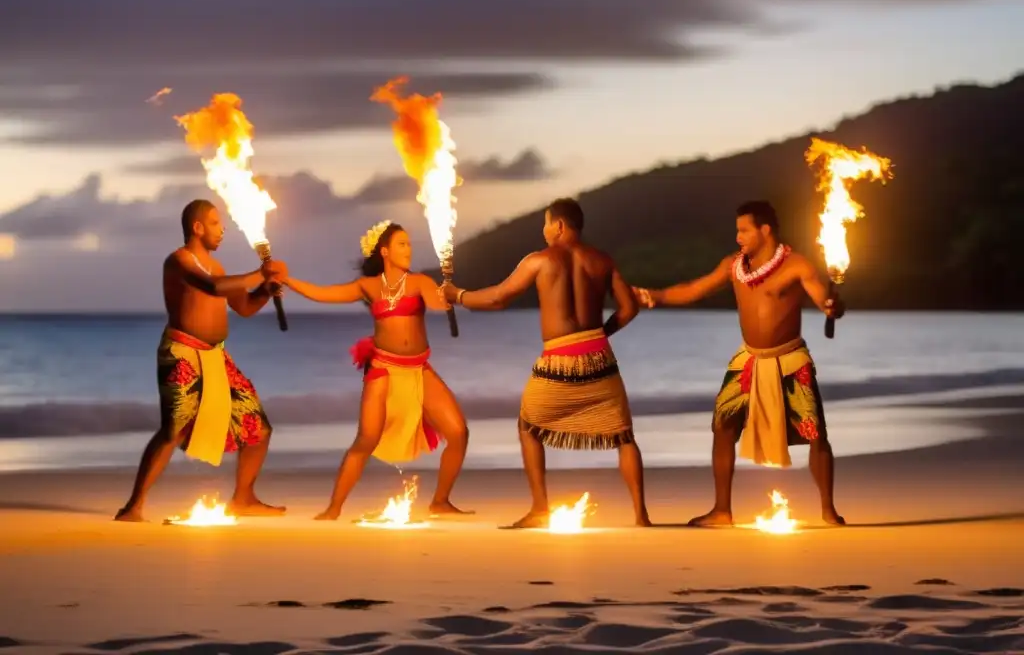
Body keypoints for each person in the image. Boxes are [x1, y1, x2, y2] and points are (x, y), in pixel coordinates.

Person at [442, 197, 652, 529]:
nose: (543, 229)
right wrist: (600, 334)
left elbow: (498, 298)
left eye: (545, 223)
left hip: (559, 362)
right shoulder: (602, 261)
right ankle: (641, 515)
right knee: (624, 436)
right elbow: (629, 309)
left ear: (559, 225)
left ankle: (541, 508)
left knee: (528, 426)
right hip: (600, 357)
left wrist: (459, 296)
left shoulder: (539, 261)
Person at [634, 200, 846, 527]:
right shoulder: (734, 266)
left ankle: (828, 511)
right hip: (748, 360)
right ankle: (722, 511)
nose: (738, 237)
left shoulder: (797, 265)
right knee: (722, 427)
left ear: (765, 230)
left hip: (790, 360)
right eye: (737, 230)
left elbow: (821, 297)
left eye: (744, 230)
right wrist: (655, 296)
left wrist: (832, 307)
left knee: (815, 433)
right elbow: (694, 288)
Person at [281, 220, 472, 520]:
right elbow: (322, 294)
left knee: (458, 431)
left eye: (409, 244)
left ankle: (441, 501)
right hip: (383, 368)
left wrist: (447, 293)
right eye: (401, 244)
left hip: (418, 368)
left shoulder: (419, 281)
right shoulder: (368, 287)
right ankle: (333, 508)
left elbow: (437, 306)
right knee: (366, 440)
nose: (408, 249)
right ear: (384, 251)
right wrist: (288, 282)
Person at [114, 199, 287, 522]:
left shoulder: (218, 266)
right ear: (197, 227)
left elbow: (245, 307)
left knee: (258, 428)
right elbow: (213, 287)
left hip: (216, 356)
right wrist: (258, 273)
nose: (222, 230)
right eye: (215, 223)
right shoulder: (178, 261)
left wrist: (265, 290)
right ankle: (134, 506)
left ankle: (244, 498)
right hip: (182, 353)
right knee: (174, 429)